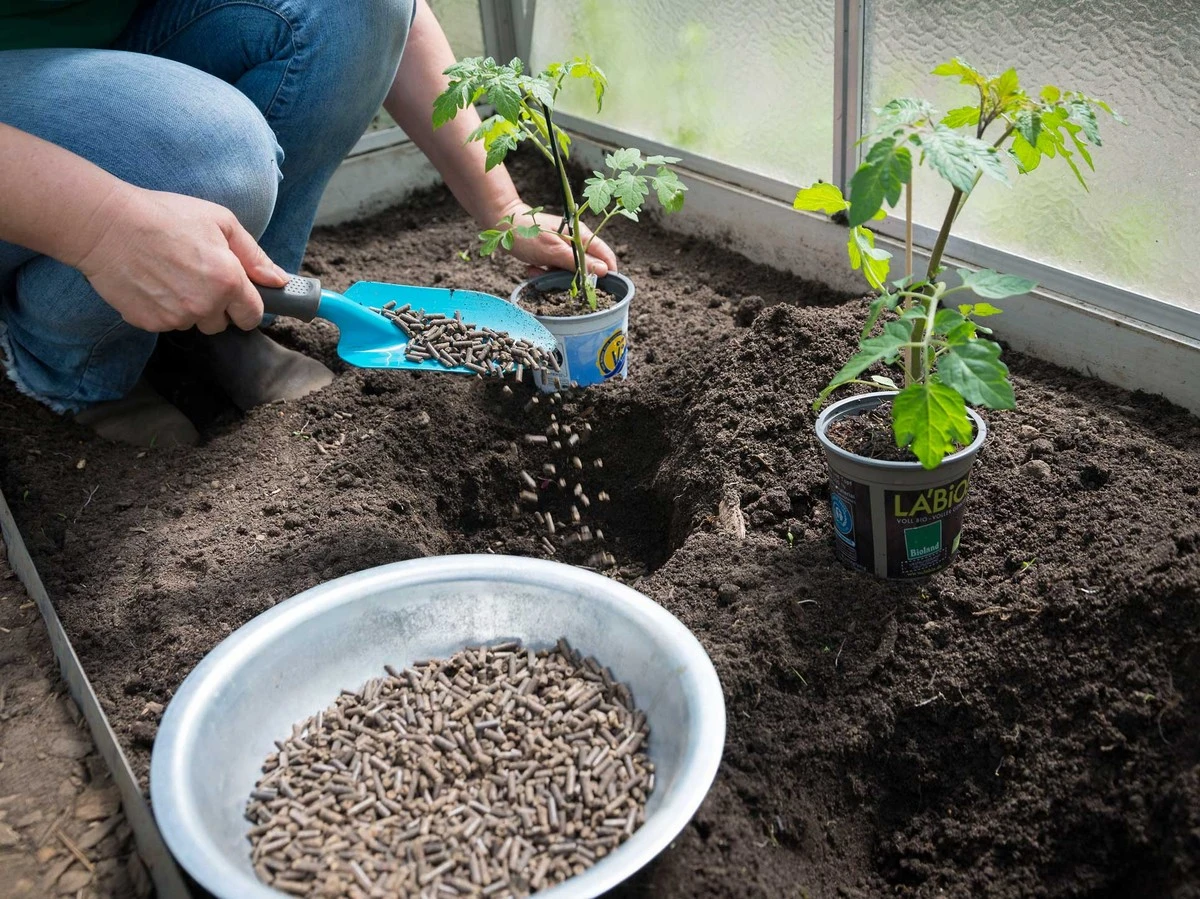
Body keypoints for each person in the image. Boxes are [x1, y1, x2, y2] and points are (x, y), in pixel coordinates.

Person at [0, 0, 618, 446]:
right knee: (215, 155)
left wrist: (502, 206)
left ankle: (225, 316)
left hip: (113, 46)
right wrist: (105, 226)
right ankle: (72, 367)